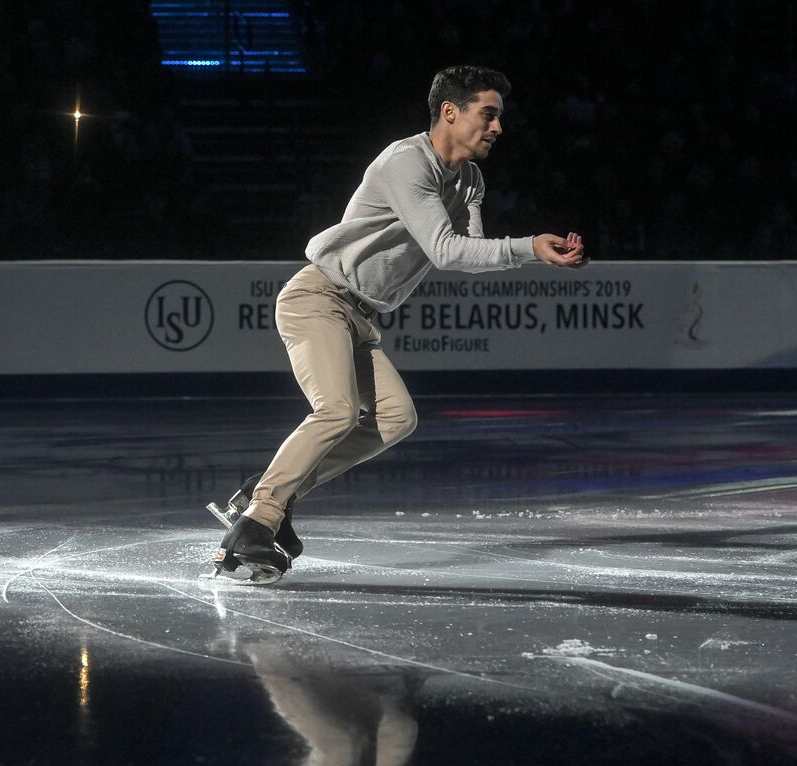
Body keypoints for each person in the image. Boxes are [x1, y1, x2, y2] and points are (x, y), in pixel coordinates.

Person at [212, 65, 587, 583]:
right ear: (450, 112)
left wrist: (531, 253)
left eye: (499, 117)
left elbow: (469, 254)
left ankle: (270, 490)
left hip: (361, 316)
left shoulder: (471, 180)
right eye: (489, 114)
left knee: (395, 418)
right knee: (338, 411)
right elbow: (445, 249)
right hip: (318, 296)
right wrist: (528, 246)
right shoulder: (406, 161)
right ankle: (252, 529)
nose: (498, 127)